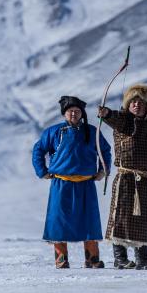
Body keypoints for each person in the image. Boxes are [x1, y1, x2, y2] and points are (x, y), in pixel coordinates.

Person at [98, 84, 147, 270]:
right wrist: (106, 112)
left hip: (146, 178)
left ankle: (143, 257)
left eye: (140, 102)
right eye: (132, 101)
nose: (136, 105)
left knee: (145, 218)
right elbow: (111, 117)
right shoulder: (123, 120)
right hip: (126, 177)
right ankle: (120, 258)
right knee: (121, 217)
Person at [32, 96, 111, 269]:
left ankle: (92, 259)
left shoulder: (92, 131)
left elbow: (105, 151)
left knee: (89, 220)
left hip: (86, 184)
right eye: (70, 111)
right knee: (58, 221)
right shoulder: (53, 132)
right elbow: (38, 150)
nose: (73, 114)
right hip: (61, 183)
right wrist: (42, 171)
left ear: (82, 113)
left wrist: (103, 170)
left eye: (77, 111)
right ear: (64, 114)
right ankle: (61, 259)